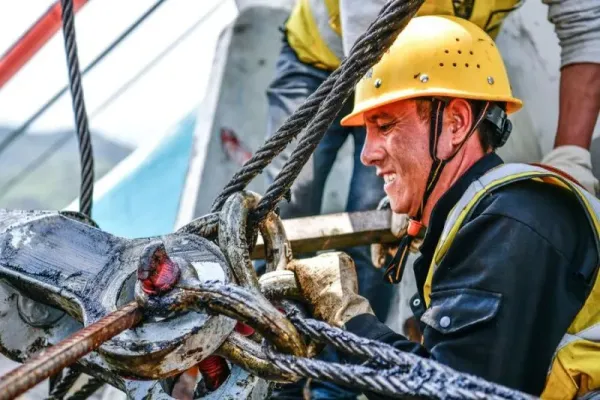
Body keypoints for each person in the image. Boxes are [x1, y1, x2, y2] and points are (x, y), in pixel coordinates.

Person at [276, 15, 600, 399]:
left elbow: (449, 393)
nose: (367, 154)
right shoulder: (493, 218)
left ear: (456, 123)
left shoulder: (508, 227)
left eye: (385, 126)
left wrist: (346, 317)